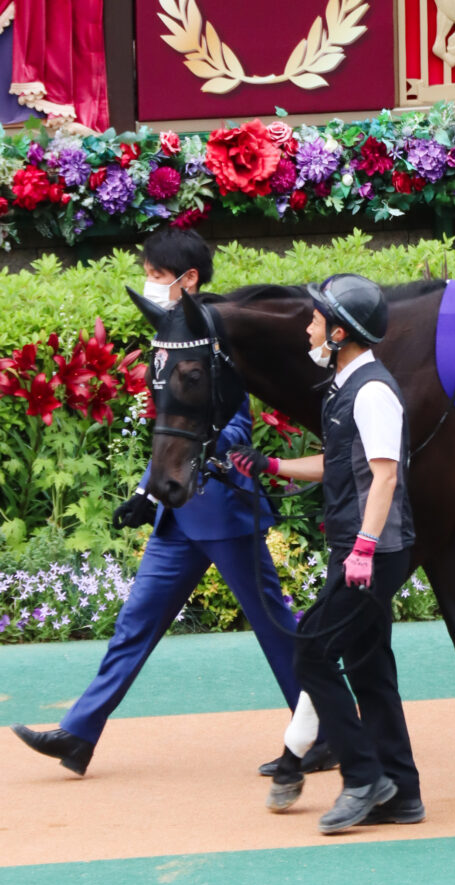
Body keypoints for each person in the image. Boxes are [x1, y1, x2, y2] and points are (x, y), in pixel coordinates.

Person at [10, 228, 335, 778]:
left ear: (189, 280)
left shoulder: (221, 337)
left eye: (159, 276)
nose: (151, 284)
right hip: (178, 513)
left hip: (226, 511)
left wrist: (215, 454)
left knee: (274, 627)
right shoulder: (171, 337)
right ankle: (79, 734)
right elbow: (171, 432)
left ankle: (327, 730)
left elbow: (228, 421)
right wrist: (144, 491)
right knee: (134, 624)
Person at [229, 273, 423, 834]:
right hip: (360, 547)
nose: (308, 328)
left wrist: (362, 549)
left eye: (315, 320)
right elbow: (339, 464)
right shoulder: (347, 386)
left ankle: (363, 778)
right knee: (368, 666)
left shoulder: (374, 391)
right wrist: (271, 467)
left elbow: (385, 477)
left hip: (372, 551)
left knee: (310, 652)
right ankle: (402, 793)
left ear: (339, 333)